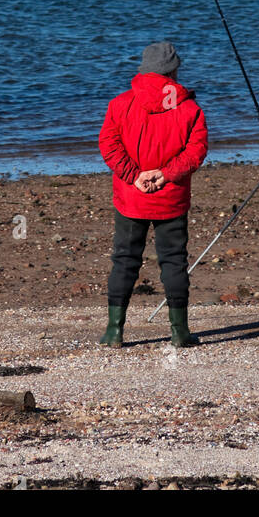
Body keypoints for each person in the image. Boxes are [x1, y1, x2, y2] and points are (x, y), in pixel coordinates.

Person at [98, 41, 208, 348]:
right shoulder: (189, 108)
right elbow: (196, 151)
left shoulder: (120, 104)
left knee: (124, 261)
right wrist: (165, 174)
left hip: (132, 197)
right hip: (169, 196)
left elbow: (108, 145)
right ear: (173, 71)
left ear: (144, 70)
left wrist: (134, 176)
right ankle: (179, 332)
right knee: (173, 262)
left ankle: (114, 331)